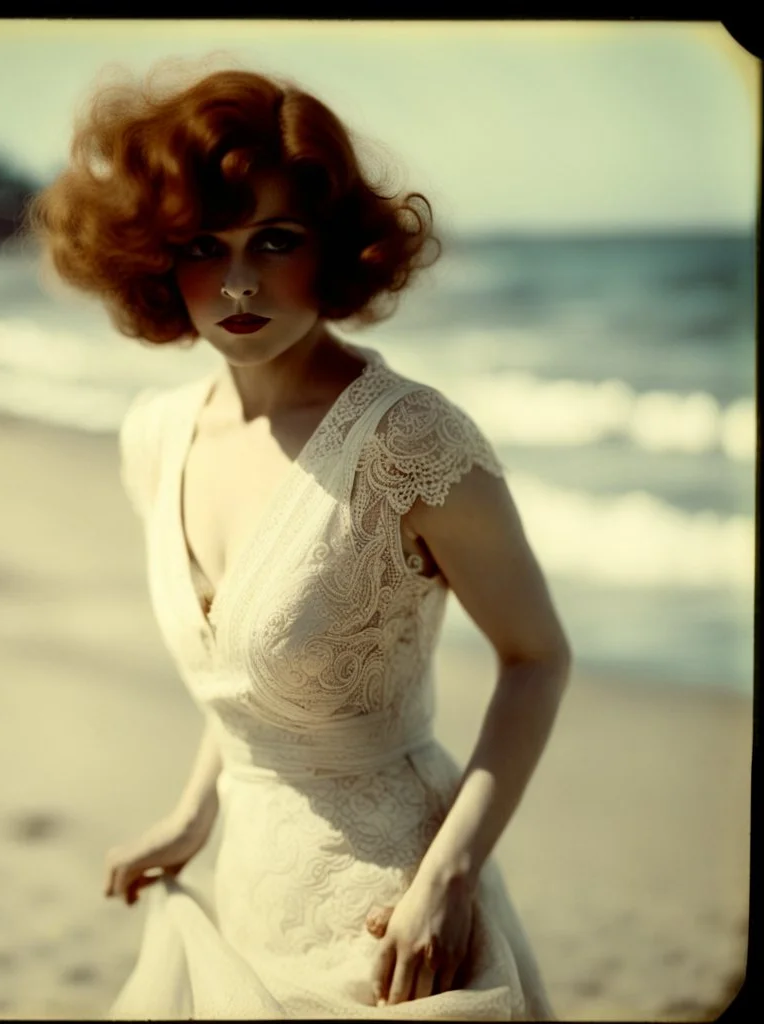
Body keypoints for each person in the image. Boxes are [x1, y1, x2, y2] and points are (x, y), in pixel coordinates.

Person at [31, 61, 571, 1020]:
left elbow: (537, 657)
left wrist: (448, 879)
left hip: (389, 916)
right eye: (204, 245)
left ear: (335, 249)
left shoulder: (413, 441)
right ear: (155, 257)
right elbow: (250, 677)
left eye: (274, 240)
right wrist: (193, 814)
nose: (238, 282)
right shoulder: (157, 439)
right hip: (246, 891)